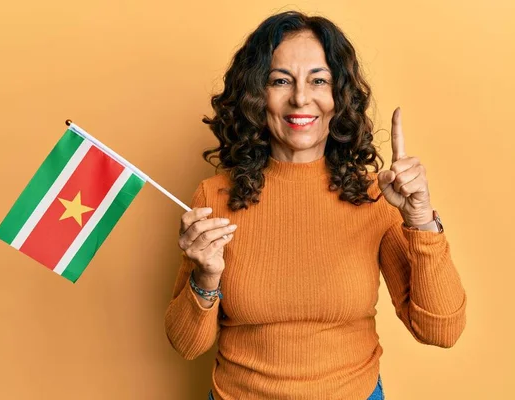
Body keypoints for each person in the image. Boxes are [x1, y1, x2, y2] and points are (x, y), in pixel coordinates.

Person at [164, 11, 466, 400]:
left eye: (318, 80)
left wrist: (421, 220)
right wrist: (204, 279)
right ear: (257, 95)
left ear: (339, 97)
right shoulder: (214, 197)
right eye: (280, 80)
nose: (301, 98)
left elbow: (441, 330)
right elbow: (186, 345)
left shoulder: (378, 196)